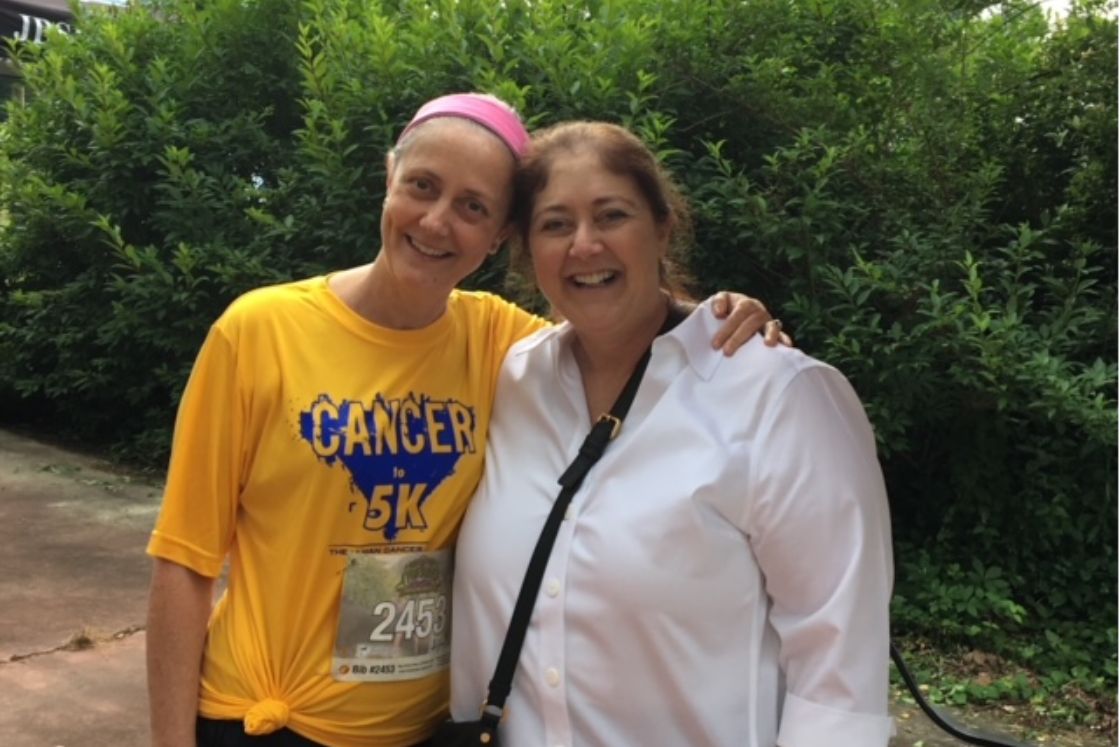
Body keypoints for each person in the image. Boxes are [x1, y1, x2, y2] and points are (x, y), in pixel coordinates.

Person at [145, 94, 782, 747]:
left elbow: (618, 327)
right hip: (267, 721)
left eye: (473, 207)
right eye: (422, 186)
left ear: (500, 234)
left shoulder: (502, 343)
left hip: (429, 731)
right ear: (389, 175)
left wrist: (714, 320)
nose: (437, 221)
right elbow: (184, 561)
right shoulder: (259, 331)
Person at [449, 120, 895, 747]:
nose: (585, 245)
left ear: (661, 227)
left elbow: (839, 666)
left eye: (612, 216)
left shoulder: (777, 396)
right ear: (525, 246)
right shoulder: (507, 380)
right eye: (555, 224)